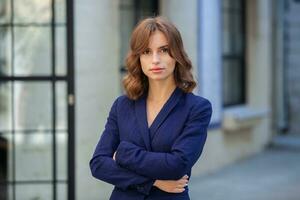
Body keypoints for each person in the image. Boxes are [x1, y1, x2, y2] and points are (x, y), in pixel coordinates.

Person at [90, 16, 212, 200]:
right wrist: (152, 181)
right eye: (146, 51)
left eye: (163, 50)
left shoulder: (197, 108)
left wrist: (124, 153)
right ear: (138, 58)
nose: (155, 60)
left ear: (177, 54)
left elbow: (177, 165)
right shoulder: (122, 105)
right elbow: (99, 164)